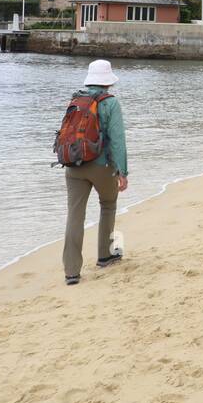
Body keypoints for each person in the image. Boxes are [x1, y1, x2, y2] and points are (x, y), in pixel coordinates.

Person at [61, 59, 128, 286]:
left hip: (74, 165)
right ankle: (105, 255)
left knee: (75, 216)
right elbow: (118, 141)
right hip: (101, 166)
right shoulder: (111, 103)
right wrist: (122, 171)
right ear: (108, 81)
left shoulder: (75, 99)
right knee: (108, 205)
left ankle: (71, 272)